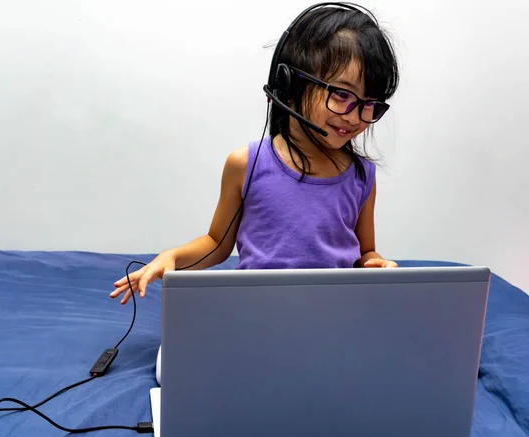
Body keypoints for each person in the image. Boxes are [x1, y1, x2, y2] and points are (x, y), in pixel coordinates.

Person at [110, 3, 400, 305]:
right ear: (289, 84)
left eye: (371, 104)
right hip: (258, 312)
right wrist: (170, 257)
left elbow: (365, 252)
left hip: (333, 313)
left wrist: (374, 263)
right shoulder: (245, 165)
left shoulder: (362, 176)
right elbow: (216, 244)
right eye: (342, 95)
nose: (356, 118)